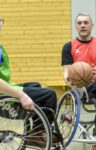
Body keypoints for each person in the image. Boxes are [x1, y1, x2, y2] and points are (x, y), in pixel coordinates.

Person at [0, 16, 58, 147]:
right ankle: (38, 133)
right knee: (49, 95)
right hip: (3, 98)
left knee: (35, 85)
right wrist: (21, 95)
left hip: (5, 88)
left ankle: (35, 129)